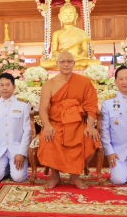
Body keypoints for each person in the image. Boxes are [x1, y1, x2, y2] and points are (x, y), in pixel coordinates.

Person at [37, 51, 100, 189]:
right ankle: (55, 176)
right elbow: (43, 109)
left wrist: (90, 126)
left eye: (69, 61)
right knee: (48, 139)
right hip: (56, 124)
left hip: (78, 125)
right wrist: (47, 126)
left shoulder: (84, 82)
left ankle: (75, 177)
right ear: (57, 64)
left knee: (91, 140)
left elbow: (91, 106)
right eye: (62, 61)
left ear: (74, 63)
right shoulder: (49, 84)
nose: (66, 64)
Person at [0, 73, 31, 183]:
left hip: (16, 149)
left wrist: (22, 153)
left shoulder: (23, 106)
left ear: (13, 87)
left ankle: (11, 168)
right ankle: (6, 168)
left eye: (8, 85)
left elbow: (27, 131)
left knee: (19, 178)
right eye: (2, 85)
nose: (5, 88)